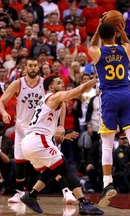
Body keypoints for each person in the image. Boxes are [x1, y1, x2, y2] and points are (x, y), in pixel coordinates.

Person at [20, 75, 103, 215]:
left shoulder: (46, 101)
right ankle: (83, 203)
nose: (62, 83)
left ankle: (31, 195)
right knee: (66, 168)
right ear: (51, 87)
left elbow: (45, 124)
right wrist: (96, 79)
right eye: (59, 82)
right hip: (38, 140)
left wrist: (62, 133)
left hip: (31, 142)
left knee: (54, 169)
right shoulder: (54, 96)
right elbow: (79, 90)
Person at [88, 20, 130, 207]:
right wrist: (122, 32)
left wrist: (99, 28)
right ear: (115, 35)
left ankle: (107, 183)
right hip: (126, 94)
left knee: (107, 144)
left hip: (109, 97)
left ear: (101, 35)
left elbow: (91, 45)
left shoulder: (97, 51)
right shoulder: (124, 49)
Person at [0, 58, 45, 202]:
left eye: (35, 65)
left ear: (39, 67)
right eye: (30, 65)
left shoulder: (44, 83)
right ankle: (19, 192)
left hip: (39, 128)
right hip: (22, 129)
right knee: (19, 161)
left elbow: (60, 100)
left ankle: (64, 190)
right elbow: (0, 102)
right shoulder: (18, 83)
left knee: (46, 162)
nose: (33, 68)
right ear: (25, 68)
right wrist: (4, 113)